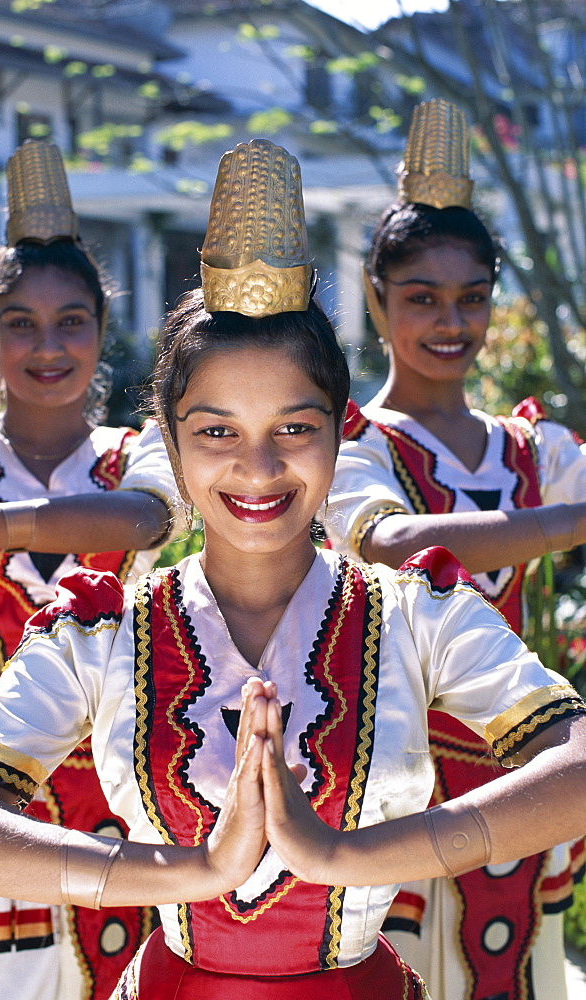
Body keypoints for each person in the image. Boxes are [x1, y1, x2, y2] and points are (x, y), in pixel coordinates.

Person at [0, 137, 585, 1000]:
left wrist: (346, 855)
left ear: (338, 430)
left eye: (295, 428)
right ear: (167, 438)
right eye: (216, 432)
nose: (259, 468)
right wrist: (191, 871)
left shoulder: (421, 614)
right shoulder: (100, 631)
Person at [324, 98, 586, 1000]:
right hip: (403, 775)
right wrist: (558, 525)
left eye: (470, 298)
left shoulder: (530, 449)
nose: (451, 322)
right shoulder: (357, 449)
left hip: (525, 772)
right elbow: (393, 541)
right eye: (422, 298)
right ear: (376, 297)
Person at [0, 140, 178, 1000]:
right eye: (21, 324)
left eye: (71, 319)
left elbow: (139, 522)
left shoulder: (146, 455)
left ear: (102, 331)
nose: (47, 345)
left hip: (121, 757)